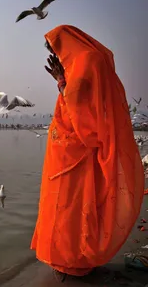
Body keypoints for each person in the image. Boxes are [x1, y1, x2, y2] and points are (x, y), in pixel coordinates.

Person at [30, 25, 145, 281]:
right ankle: (69, 257)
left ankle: (74, 259)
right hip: (67, 152)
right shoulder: (86, 62)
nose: (56, 55)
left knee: (71, 205)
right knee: (70, 204)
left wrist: (61, 82)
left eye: (55, 49)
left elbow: (82, 107)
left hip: (76, 152)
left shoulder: (87, 62)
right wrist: (63, 81)